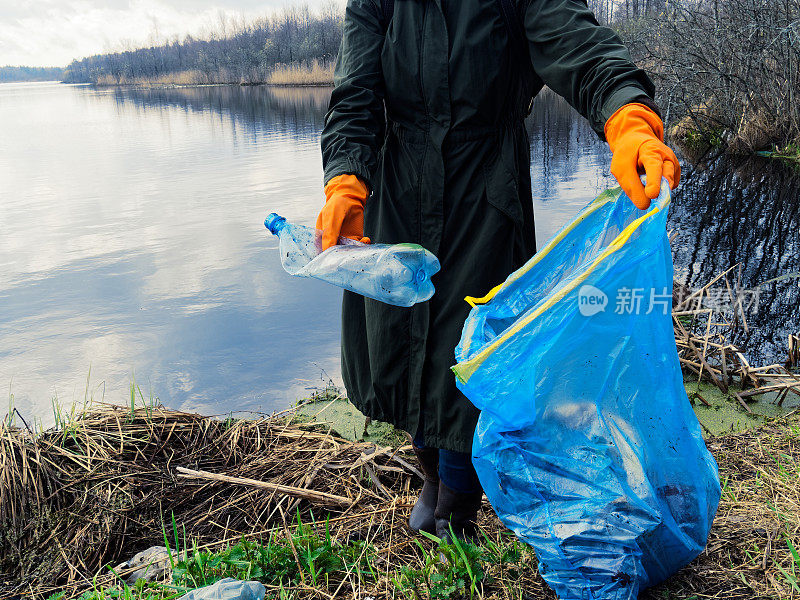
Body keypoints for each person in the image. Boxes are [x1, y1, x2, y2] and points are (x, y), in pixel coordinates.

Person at [317, 0, 680, 541]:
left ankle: (459, 502)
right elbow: (356, 93)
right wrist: (346, 176)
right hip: (401, 192)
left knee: (472, 358)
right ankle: (431, 477)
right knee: (407, 347)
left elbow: (577, 44)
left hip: (485, 194)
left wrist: (627, 116)